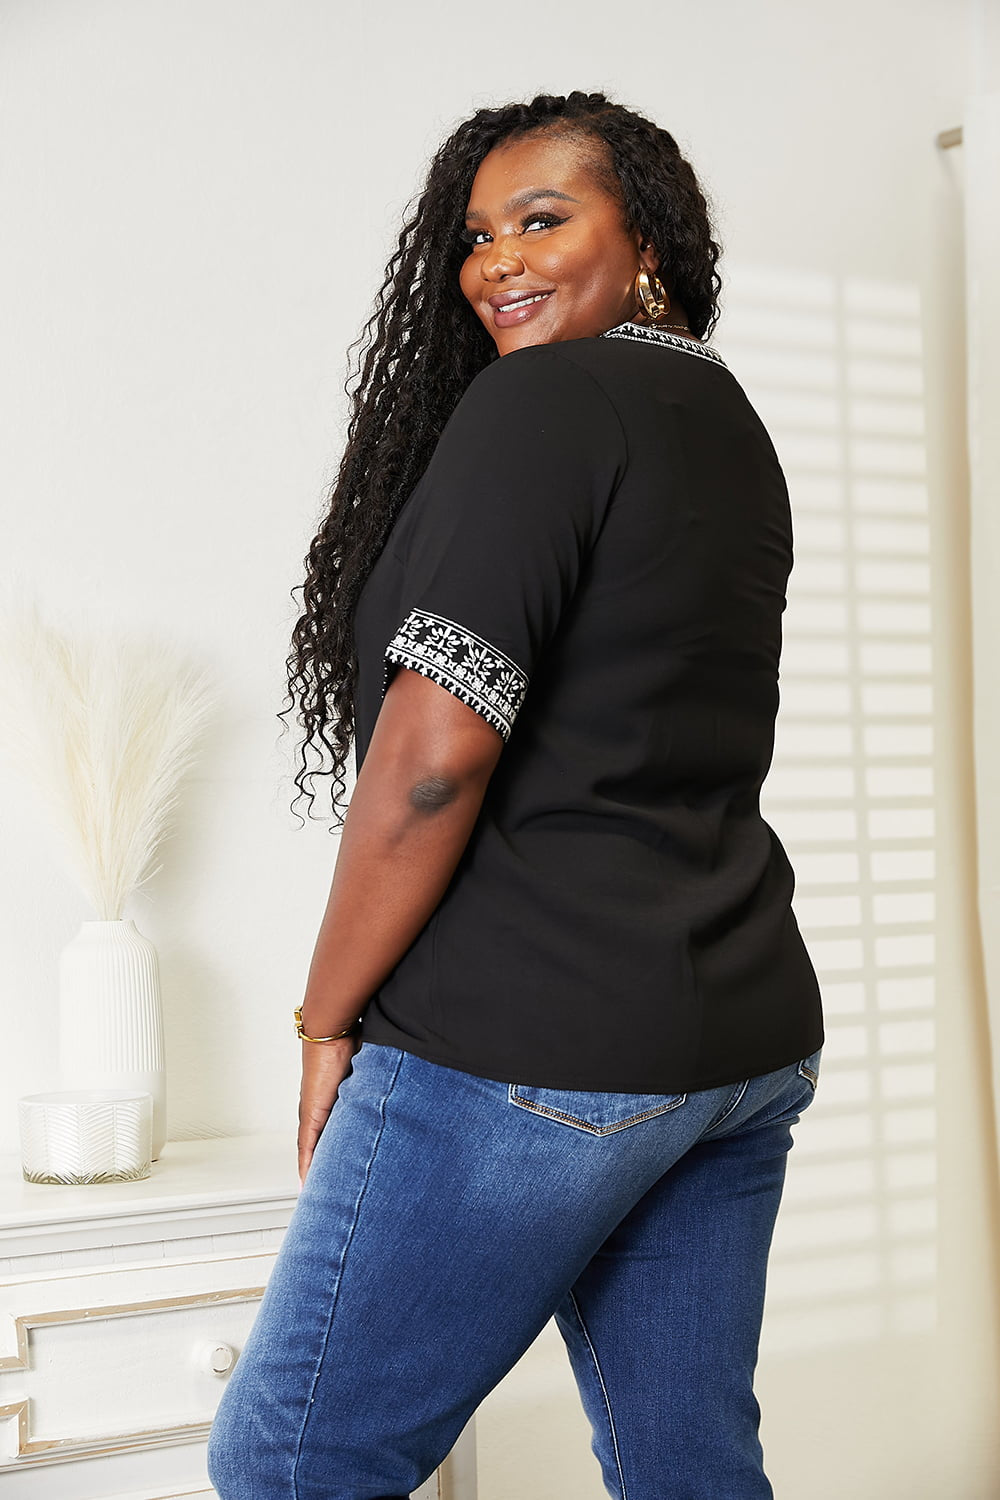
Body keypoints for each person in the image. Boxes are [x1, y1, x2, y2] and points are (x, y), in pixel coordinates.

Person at [207, 89, 824, 1500]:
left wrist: (324, 1016)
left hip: (531, 1048)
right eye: (477, 236)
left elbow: (433, 762)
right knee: (688, 1466)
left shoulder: (547, 401)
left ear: (647, 238)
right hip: (734, 1038)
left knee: (293, 1462)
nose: (497, 263)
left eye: (544, 220)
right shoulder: (725, 424)